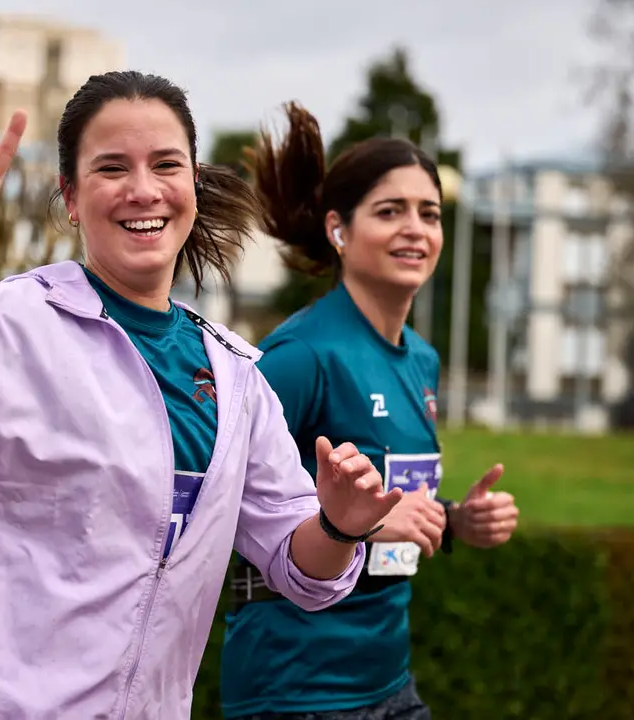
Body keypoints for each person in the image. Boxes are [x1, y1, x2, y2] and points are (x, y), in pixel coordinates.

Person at [0, 72, 406, 720]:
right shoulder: (8, 324)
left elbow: (304, 575)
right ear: (70, 196)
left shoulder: (237, 376)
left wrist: (338, 525)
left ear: (194, 185)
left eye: (165, 165)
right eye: (111, 168)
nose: (143, 190)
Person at [218, 103, 521, 720]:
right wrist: (350, 526)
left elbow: (392, 504)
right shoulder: (302, 355)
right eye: (390, 211)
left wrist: (455, 522)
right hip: (296, 690)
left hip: (388, 682)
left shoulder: (422, 362)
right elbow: (222, 505)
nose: (416, 228)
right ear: (339, 230)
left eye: (429, 213)